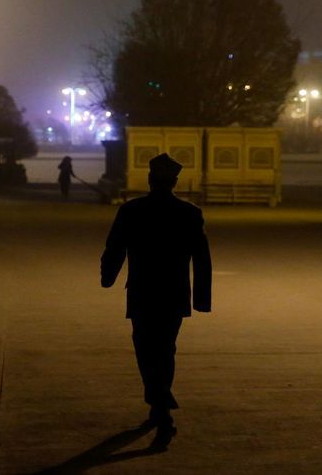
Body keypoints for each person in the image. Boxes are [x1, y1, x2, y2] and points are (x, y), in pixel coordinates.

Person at [100, 152, 212, 449]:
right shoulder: (189, 213)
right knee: (166, 349)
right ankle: (159, 404)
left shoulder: (131, 211)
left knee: (145, 349)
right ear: (175, 182)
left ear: (150, 180)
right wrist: (202, 298)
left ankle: (162, 411)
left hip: (142, 291)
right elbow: (202, 258)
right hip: (174, 293)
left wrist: (107, 276)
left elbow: (115, 248)